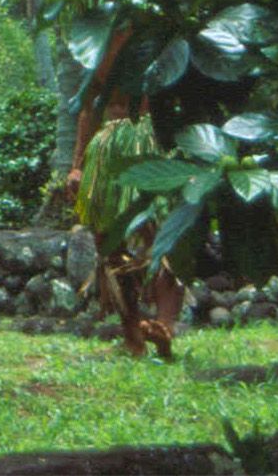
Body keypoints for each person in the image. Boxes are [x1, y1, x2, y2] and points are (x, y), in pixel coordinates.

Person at [66, 28, 185, 359]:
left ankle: (164, 325)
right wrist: (77, 166)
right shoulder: (94, 36)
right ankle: (132, 333)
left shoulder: (160, 30)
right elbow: (88, 107)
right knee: (108, 244)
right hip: (107, 146)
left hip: (151, 140)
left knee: (161, 236)